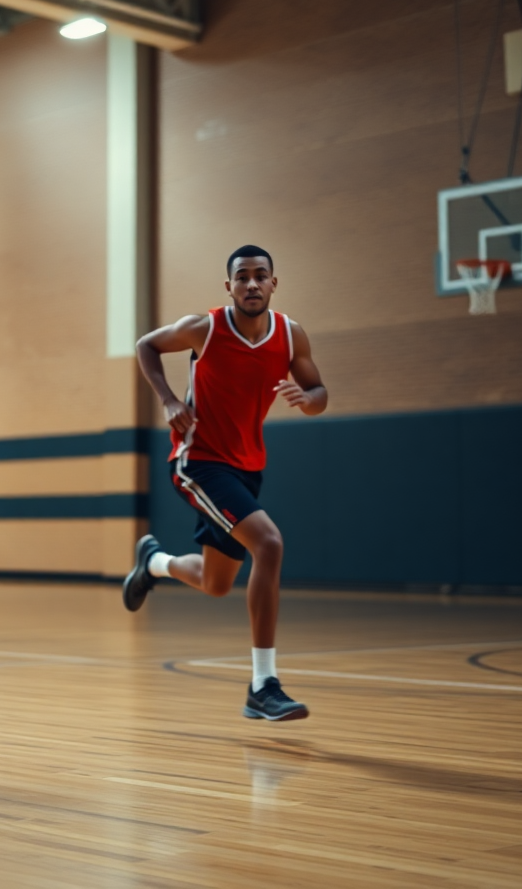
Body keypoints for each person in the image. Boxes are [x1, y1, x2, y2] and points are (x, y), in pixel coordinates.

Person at [124, 245, 327, 721]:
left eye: (261, 276)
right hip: (197, 462)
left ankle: (154, 563)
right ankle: (263, 685)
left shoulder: (291, 336)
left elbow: (319, 393)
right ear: (229, 285)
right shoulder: (207, 327)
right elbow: (146, 345)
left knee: (216, 583)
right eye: (242, 277)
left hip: (247, 466)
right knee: (269, 544)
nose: (252, 284)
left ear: (274, 283)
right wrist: (170, 399)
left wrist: (308, 398)